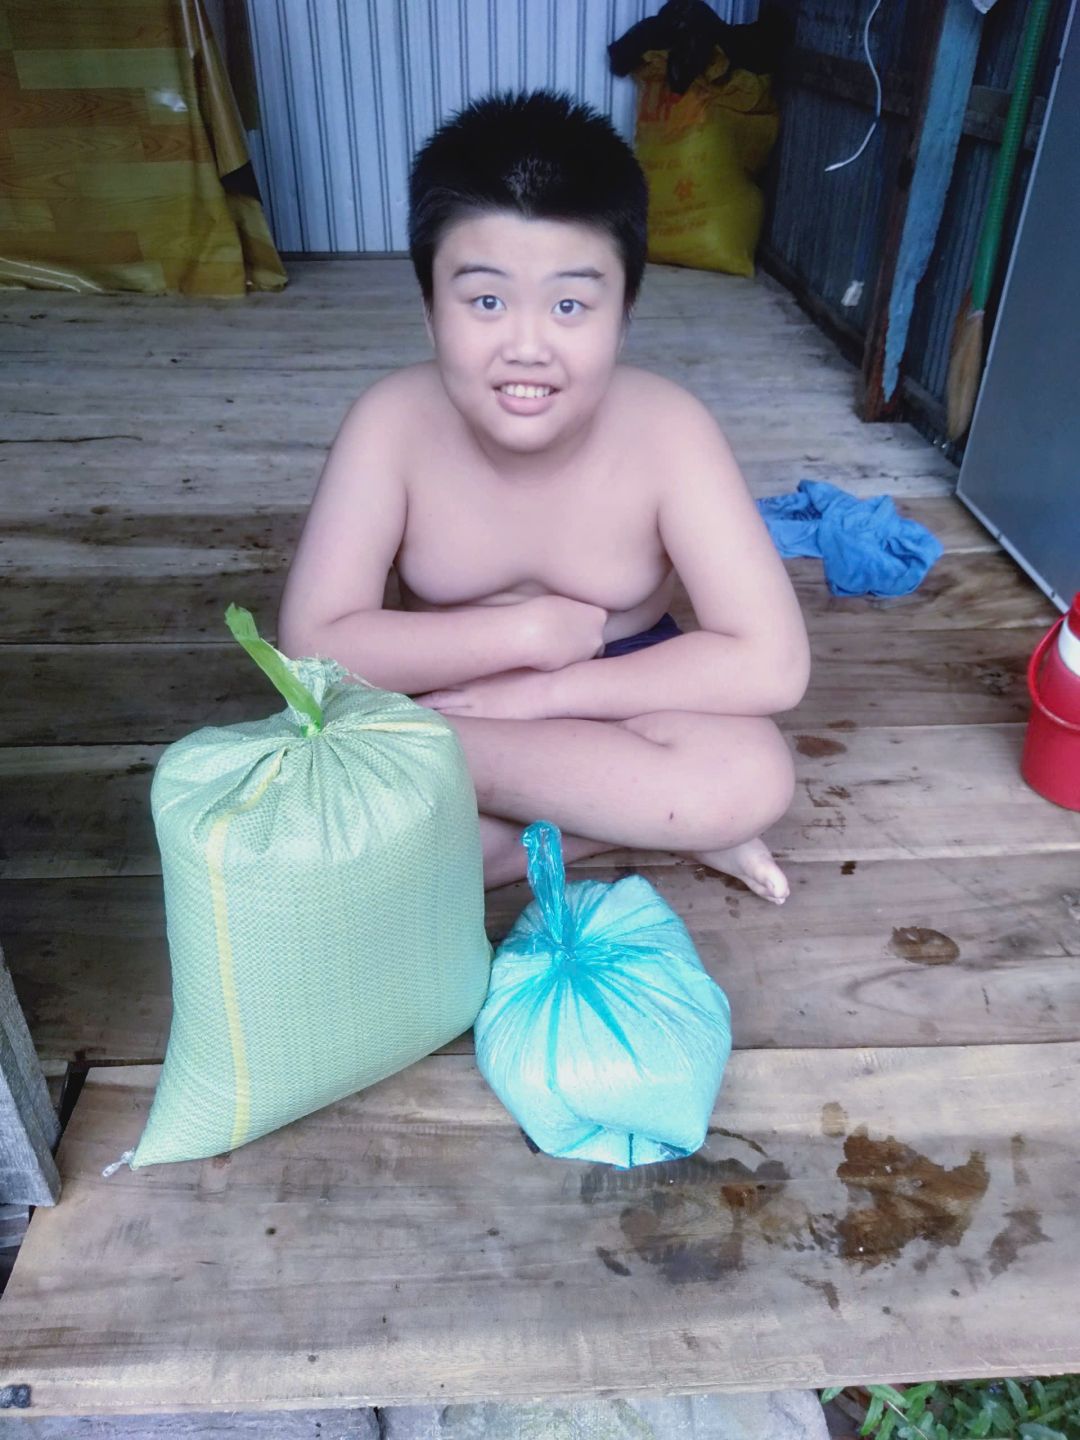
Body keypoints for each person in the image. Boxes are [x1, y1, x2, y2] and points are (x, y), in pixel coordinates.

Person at [278, 91, 809, 900]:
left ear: (623, 315)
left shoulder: (670, 430)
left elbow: (772, 662)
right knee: (334, 828)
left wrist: (547, 691)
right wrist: (526, 634)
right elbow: (313, 650)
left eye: (569, 305)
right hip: (441, 710)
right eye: (486, 301)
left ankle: (640, 819)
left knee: (750, 773)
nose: (527, 346)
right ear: (429, 311)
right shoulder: (390, 424)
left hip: (618, 697)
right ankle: (652, 823)